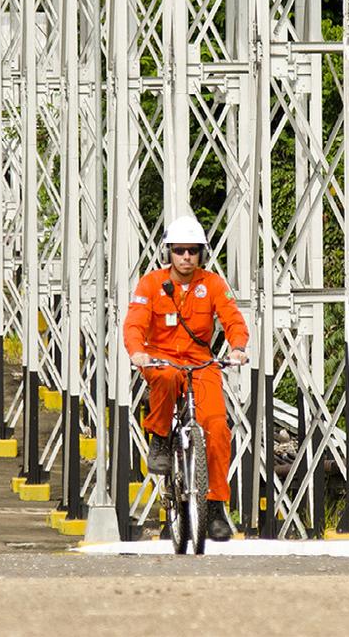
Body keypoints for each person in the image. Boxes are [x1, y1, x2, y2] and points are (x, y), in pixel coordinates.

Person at [123, 214, 249, 542]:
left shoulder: (213, 285)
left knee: (218, 428)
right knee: (163, 377)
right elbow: (134, 323)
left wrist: (237, 347)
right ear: (169, 253)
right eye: (179, 250)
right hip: (161, 359)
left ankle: (217, 506)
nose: (186, 257)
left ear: (201, 254)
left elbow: (232, 319)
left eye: (193, 251)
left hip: (200, 363)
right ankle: (160, 439)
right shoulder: (151, 284)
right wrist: (137, 351)